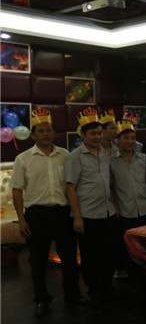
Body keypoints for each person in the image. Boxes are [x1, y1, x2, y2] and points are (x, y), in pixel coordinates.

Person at [9, 108, 84, 317]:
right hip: (36, 215)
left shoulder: (66, 155)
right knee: (38, 260)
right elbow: (16, 191)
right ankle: (41, 299)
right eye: (41, 131)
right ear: (32, 135)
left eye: (49, 130)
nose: (45, 134)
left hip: (63, 213)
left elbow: (73, 186)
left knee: (69, 258)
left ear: (54, 132)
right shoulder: (23, 159)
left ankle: (73, 294)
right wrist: (21, 220)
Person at [65, 107, 118, 306]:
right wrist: (77, 217)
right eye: (93, 133)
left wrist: (114, 206)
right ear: (83, 135)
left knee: (109, 252)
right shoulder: (75, 157)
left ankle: (107, 285)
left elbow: (108, 183)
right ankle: (94, 289)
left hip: (107, 212)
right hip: (87, 215)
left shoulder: (104, 153)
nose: (97, 137)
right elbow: (70, 188)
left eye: (99, 133)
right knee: (90, 256)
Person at [110, 120, 146, 280]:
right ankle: (134, 280)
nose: (130, 141)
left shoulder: (143, 158)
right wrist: (115, 207)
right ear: (118, 139)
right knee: (130, 249)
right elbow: (110, 187)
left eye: (133, 138)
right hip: (127, 212)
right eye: (126, 138)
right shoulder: (111, 161)